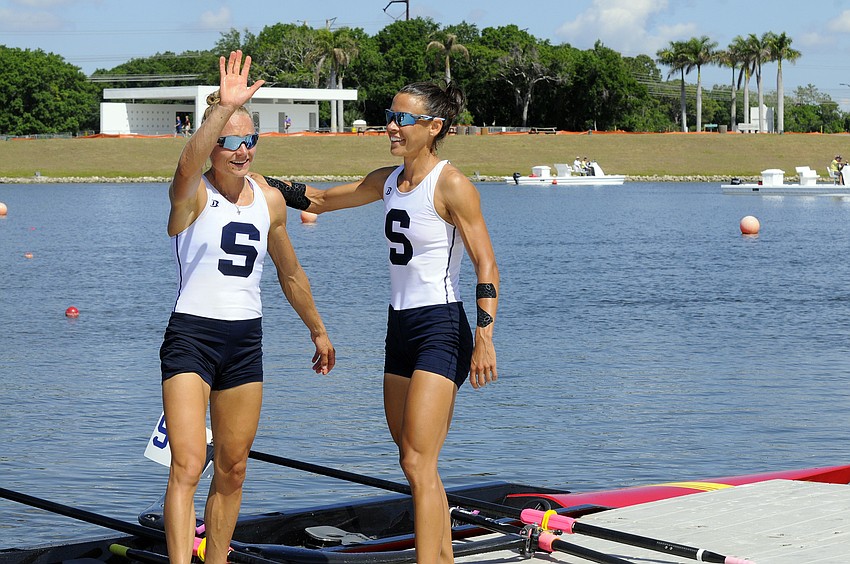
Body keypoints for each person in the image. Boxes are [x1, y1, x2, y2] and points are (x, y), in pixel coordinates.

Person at [254, 80, 499, 564]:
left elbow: (486, 265)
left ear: (433, 128)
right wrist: (263, 182)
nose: (390, 125)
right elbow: (322, 200)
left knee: (417, 459)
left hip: (441, 327)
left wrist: (485, 337)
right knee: (415, 464)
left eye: (402, 119)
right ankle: (444, 556)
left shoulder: (451, 184)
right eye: (390, 115)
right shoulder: (387, 179)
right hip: (399, 328)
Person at [160, 50, 335, 564]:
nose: (242, 151)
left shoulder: (270, 199)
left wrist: (318, 331)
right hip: (192, 337)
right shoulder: (190, 194)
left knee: (233, 467)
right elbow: (185, 163)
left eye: (249, 140)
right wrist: (222, 108)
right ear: (213, 145)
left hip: (245, 341)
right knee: (188, 464)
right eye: (231, 142)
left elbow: (290, 272)